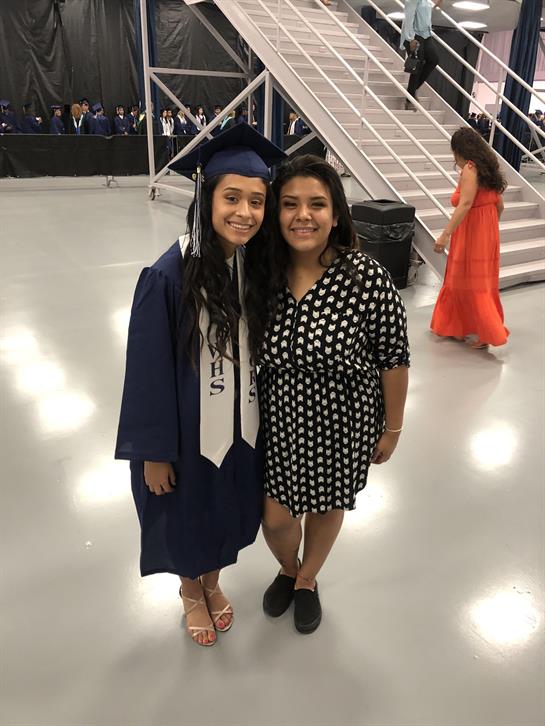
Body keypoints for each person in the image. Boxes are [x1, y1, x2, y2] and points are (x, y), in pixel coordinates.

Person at [115, 123, 286, 647]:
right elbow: (145, 372)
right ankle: (192, 591)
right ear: (206, 196)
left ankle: (214, 582)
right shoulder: (168, 275)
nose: (245, 213)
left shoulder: (252, 269)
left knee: (228, 509)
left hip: (242, 427)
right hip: (187, 438)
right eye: (232, 198)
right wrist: (154, 452)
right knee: (191, 513)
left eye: (257, 201)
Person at [258, 154, 410, 634]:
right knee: (275, 517)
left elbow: (394, 356)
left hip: (343, 422)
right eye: (290, 204)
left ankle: (305, 579)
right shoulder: (261, 275)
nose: (303, 215)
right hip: (276, 420)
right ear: (275, 213)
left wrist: (393, 427)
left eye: (317, 204)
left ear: (337, 213)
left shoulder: (365, 277)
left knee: (327, 505)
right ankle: (286, 564)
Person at [430, 127, 509, 349]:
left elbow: (465, 203)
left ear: (459, 150)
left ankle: (486, 333)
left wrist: (445, 234)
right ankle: (457, 327)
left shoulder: (470, 169)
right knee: (480, 281)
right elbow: (500, 205)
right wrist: (490, 229)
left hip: (472, 233)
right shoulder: (488, 168)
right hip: (487, 231)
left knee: (466, 280)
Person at [400, 0, 443, 110]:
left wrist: (435, 4)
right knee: (418, 63)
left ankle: (412, 91)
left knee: (434, 59)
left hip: (426, 34)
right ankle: (409, 99)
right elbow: (408, 17)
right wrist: (410, 39)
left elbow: (424, 11)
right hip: (414, 34)